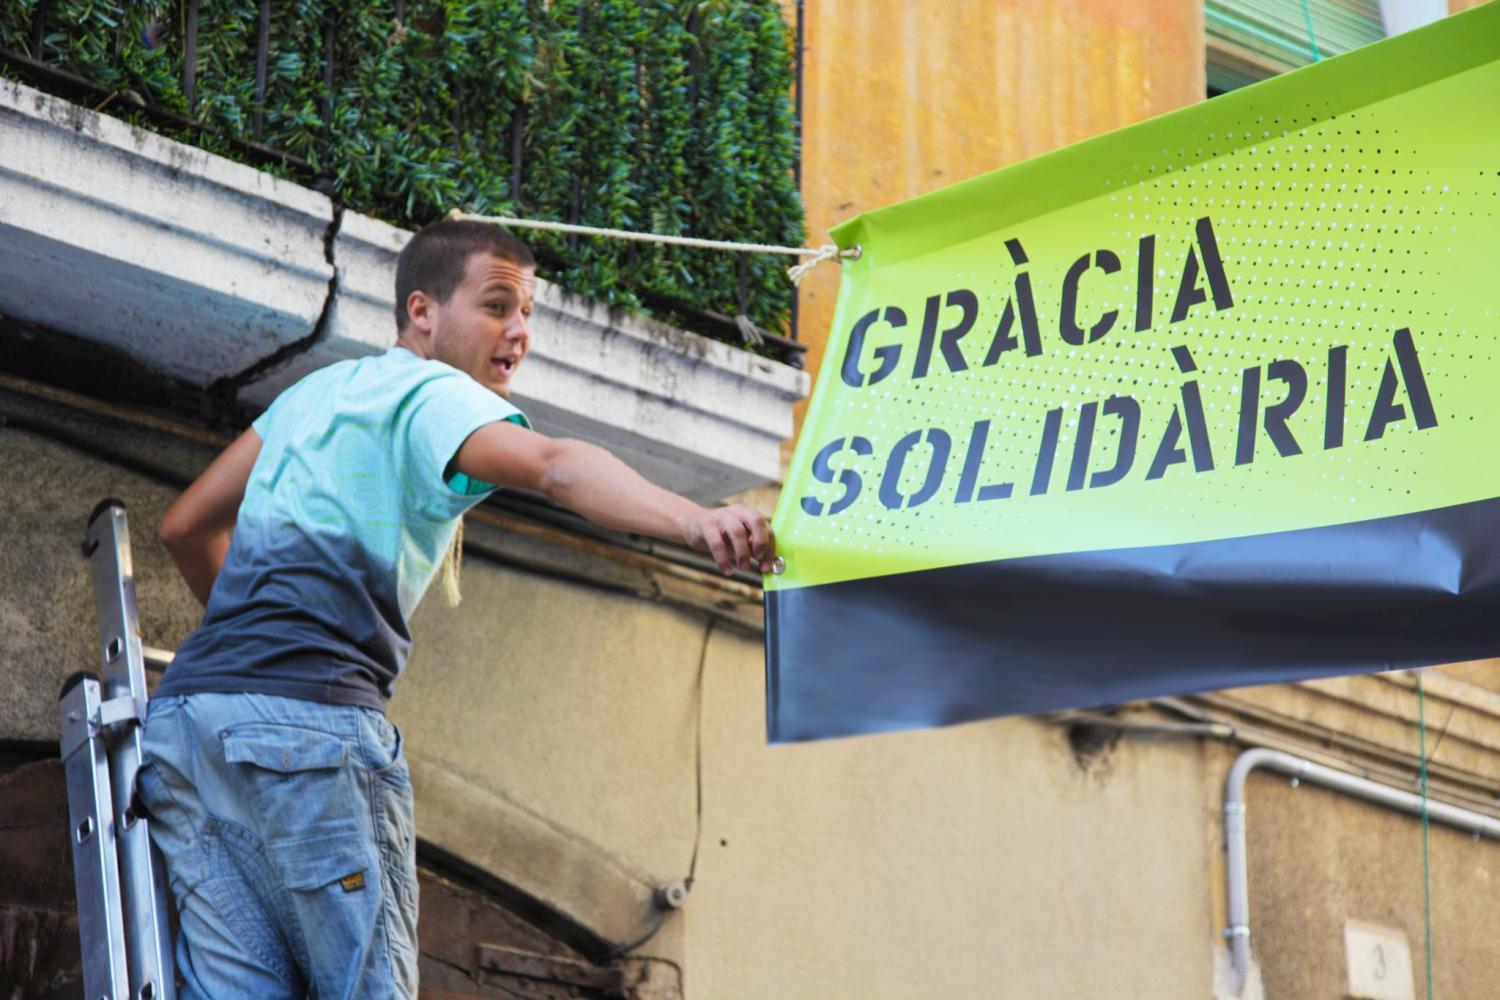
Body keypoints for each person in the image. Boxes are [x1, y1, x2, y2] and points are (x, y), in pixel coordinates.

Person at [136, 219, 776, 999]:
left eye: (529, 314)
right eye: (499, 305)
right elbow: (554, 465)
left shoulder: (315, 394)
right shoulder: (432, 393)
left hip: (190, 726)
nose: (520, 332)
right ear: (422, 312)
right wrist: (694, 520)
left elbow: (183, 527)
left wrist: (250, 659)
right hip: (309, 730)